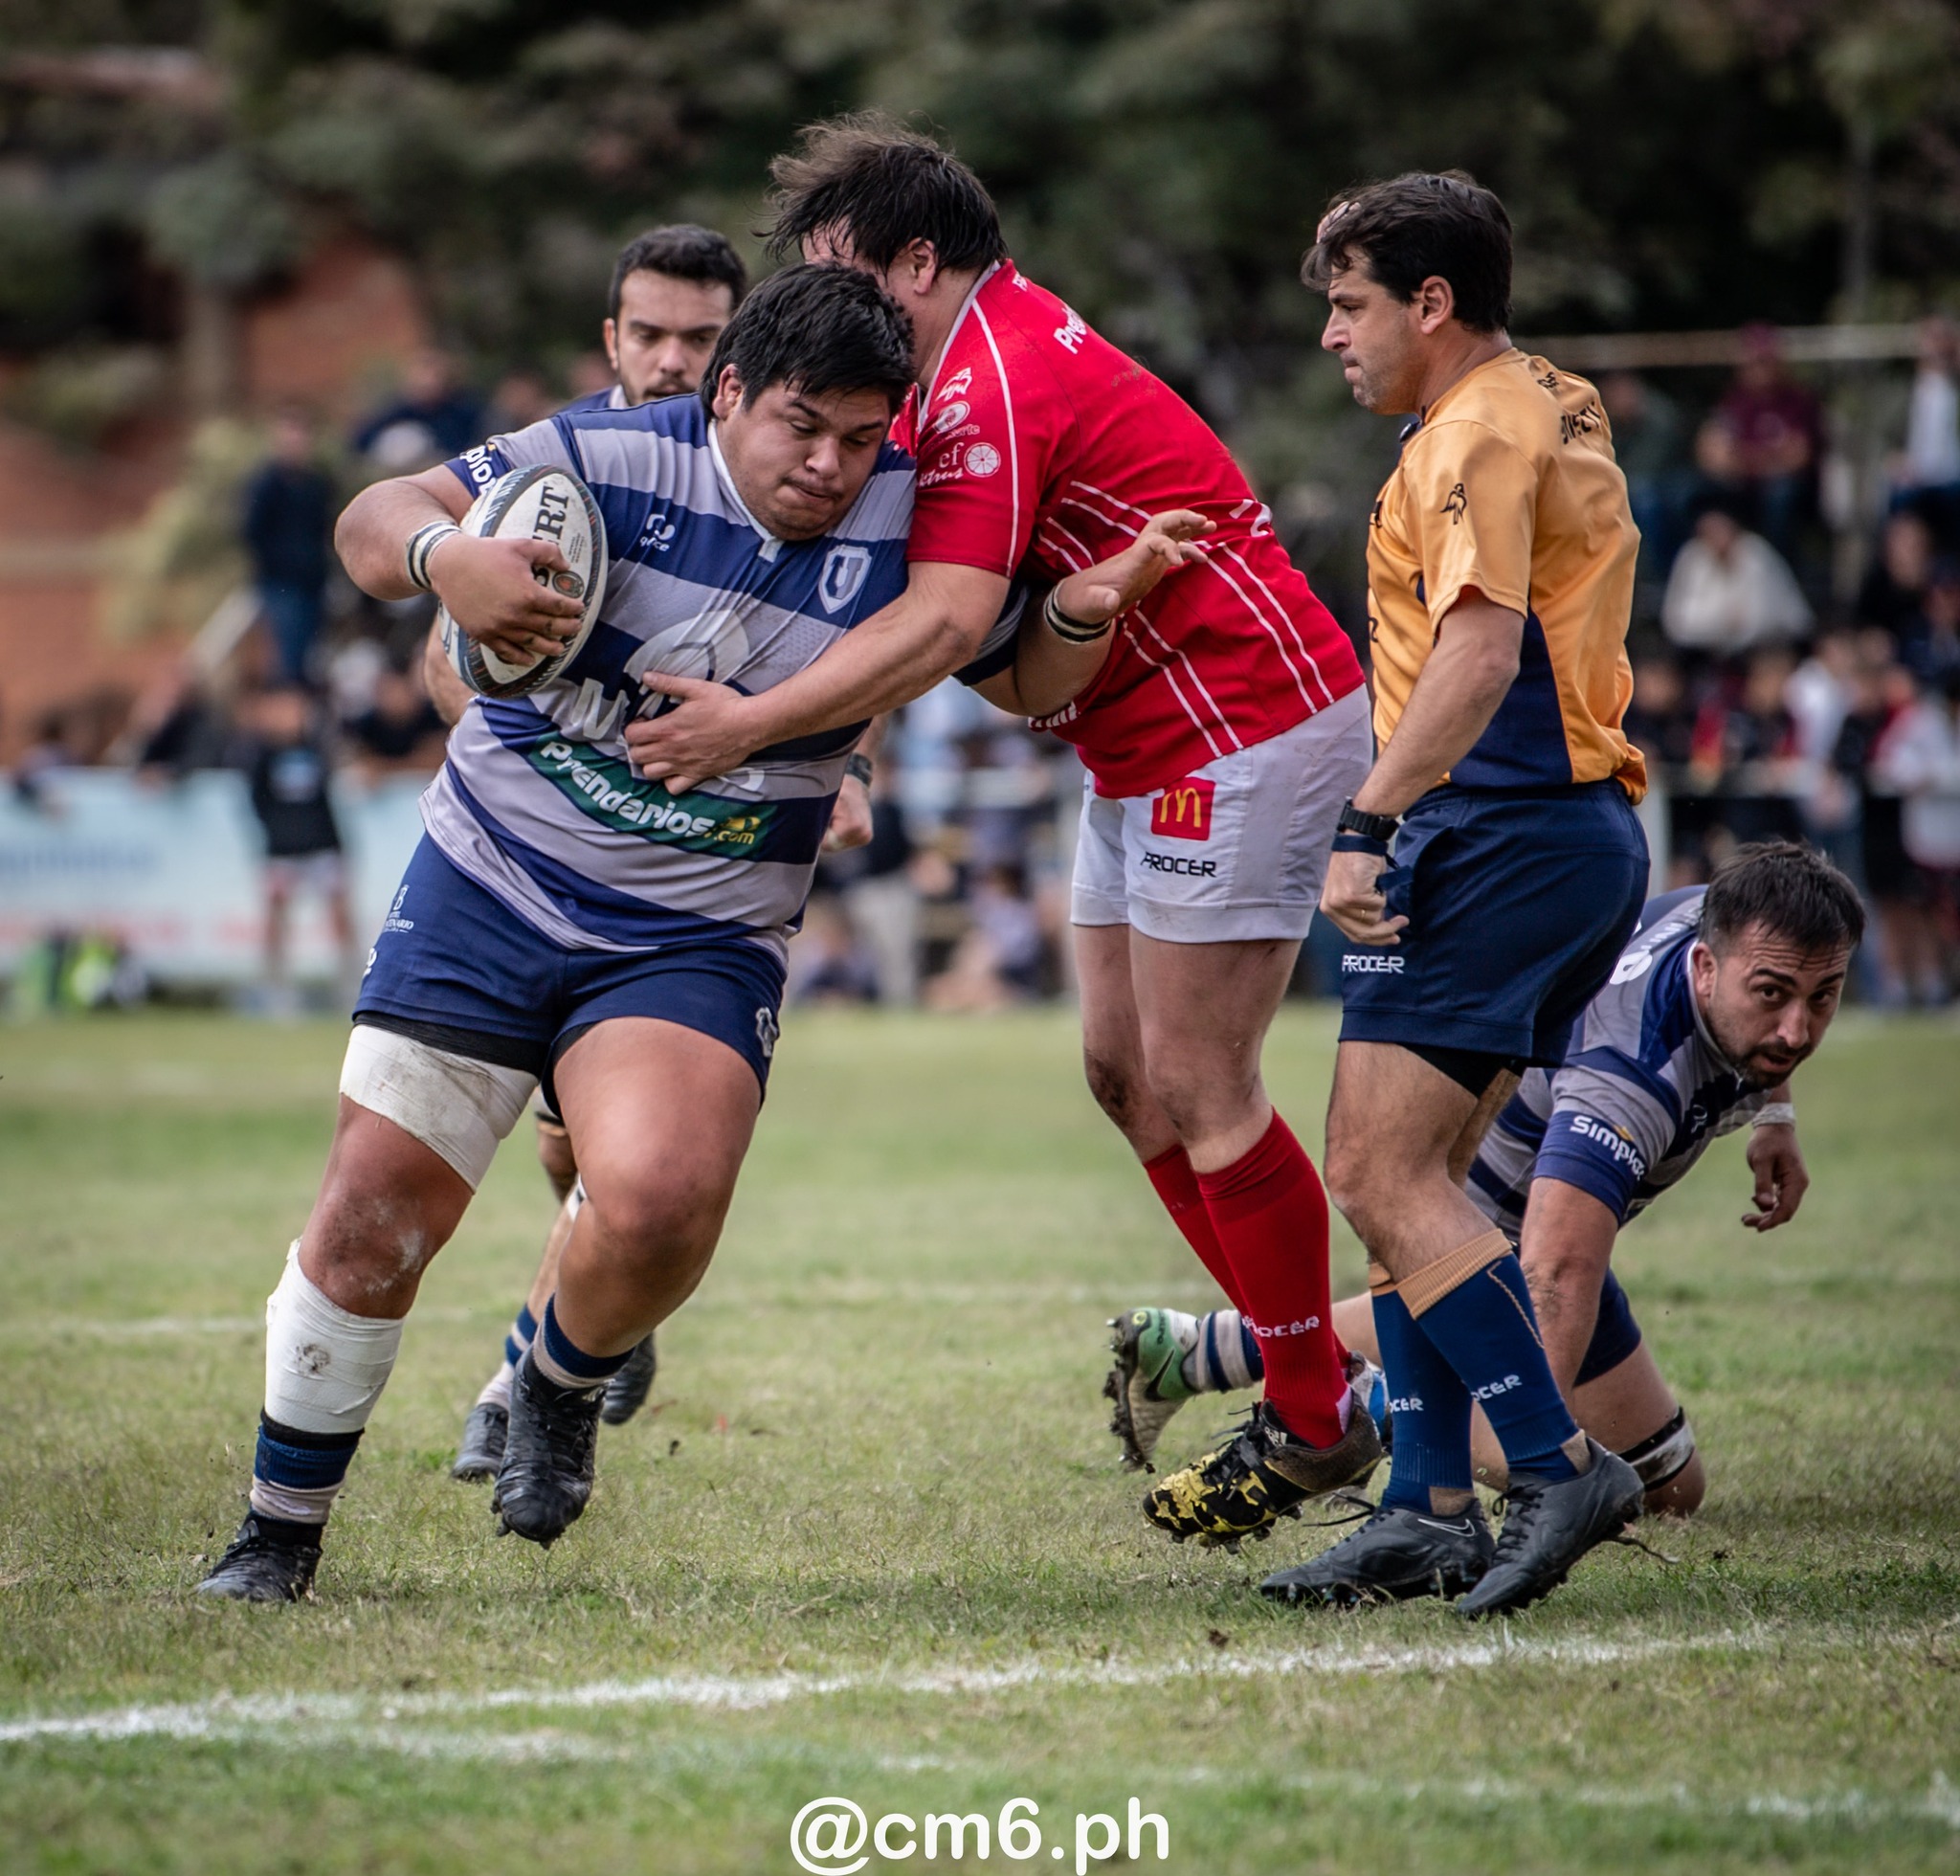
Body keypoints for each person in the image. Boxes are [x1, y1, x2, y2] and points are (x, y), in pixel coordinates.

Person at [194, 263, 1205, 1600]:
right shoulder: (600, 454)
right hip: (490, 882)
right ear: (728, 391)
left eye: (860, 437)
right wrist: (453, 558)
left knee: (666, 1202)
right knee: (372, 1220)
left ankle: (555, 1378)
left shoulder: (918, 517)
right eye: (803, 427)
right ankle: (278, 1533)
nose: (831, 465)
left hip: (698, 928)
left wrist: (1087, 604)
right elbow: (378, 515)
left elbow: (1022, 678)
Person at [627, 115, 1389, 1549]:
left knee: (1203, 1082)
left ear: (919, 262)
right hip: (1136, 738)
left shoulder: (984, 380)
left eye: (846, 271)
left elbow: (950, 621)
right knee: (1124, 1074)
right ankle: (1314, 1378)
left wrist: (755, 722)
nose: (836, 310)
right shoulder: (956, 366)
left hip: (1241, 721)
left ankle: (1311, 1413)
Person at [1112, 842, 1865, 1553]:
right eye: (1773, 997)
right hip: (1492, 1225)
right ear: (1706, 968)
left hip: (1548, 1222)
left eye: (1823, 999)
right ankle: (1363, 1410)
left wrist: (1775, 1112)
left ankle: (1194, 1350)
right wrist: (1537, 1454)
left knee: (1669, 1490)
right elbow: (1555, 1272)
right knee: (1515, 1452)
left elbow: (1777, 995)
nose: (1796, 1029)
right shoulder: (1625, 1083)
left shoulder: (1730, 925)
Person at [1291, 171, 1652, 1619]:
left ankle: (1559, 1464)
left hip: (1497, 825)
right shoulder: (1548, 395)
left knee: (1382, 1174)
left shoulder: (1472, 432)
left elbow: (1480, 653)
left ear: (1431, 305)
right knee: (1399, 1177)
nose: (1333, 335)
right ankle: (1424, 1506)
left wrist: (1368, 820)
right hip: (1542, 829)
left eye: (1351, 303)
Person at [432, 225, 750, 1487]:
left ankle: (523, 1376)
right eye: (650, 334)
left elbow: (856, 638)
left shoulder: (778, 466)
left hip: (691, 886)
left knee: (631, 1160)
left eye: (701, 337)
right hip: (540, 866)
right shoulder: (554, 469)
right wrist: (516, 745)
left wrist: (849, 767)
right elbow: (450, 643)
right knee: (570, 1153)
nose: (673, 359)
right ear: (611, 339)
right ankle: (610, 1323)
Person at [240, 683, 357, 1012]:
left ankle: (350, 986)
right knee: (276, 917)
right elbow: (256, 801)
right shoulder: (260, 754)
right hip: (283, 851)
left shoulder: (319, 746)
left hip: (323, 847)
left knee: (340, 915)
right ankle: (276, 990)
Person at [1694, 323, 1821, 565]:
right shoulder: (1733, 402)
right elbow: (1711, 454)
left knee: (1780, 495)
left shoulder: (1797, 402)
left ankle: (1782, 572)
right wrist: (1767, 457)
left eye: (1764, 361)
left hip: (1787, 492)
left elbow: (1798, 457)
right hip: (1742, 488)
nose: (1757, 369)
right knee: (1694, 493)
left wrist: (1741, 458)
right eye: (1751, 361)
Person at [242, 409, 335, 685]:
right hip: (281, 583)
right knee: (288, 659)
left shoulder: (316, 484)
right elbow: (251, 532)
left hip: (313, 583)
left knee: (311, 657)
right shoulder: (265, 485)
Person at [1661, 501, 1812, 659]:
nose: (1715, 535)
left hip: (1779, 643)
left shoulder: (1756, 554)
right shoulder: (1692, 555)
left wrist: (1714, 623)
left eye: (1720, 527)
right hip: (1709, 651)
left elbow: (1759, 622)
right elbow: (1676, 622)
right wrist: (1723, 621)